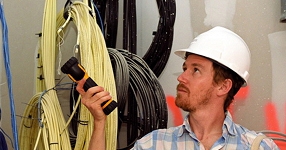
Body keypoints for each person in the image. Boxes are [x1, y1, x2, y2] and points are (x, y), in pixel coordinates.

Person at [76, 26, 280, 150]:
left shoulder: (258, 147)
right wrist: (100, 122)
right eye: (185, 68)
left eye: (196, 70)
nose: (182, 77)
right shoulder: (154, 145)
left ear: (223, 86)